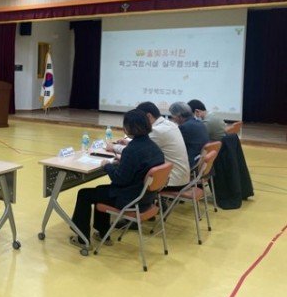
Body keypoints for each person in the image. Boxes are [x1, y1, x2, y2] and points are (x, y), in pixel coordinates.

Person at [70, 109, 164, 248]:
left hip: (129, 199)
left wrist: (107, 165)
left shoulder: (132, 150)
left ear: (129, 128)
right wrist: (121, 163)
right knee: (100, 191)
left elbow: (119, 179)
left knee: (84, 194)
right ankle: (104, 234)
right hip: (146, 198)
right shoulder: (153, 147)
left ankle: (82, 239)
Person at [108, 102, 190, 190]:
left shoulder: (157, 130)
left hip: (169, 181)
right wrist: (128, 142)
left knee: (129, 178)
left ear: (148, 116)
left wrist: (113, 147)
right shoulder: (170, 124)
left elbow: (137, 151)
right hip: (181, 177)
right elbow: (144, 145)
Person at [169, 102, 209, 169]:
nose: (173, 120)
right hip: (200, 161)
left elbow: (174, 147)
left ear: (179, 116)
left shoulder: (184, 127)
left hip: (191, 163)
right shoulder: (200, 124)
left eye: (173, 117)